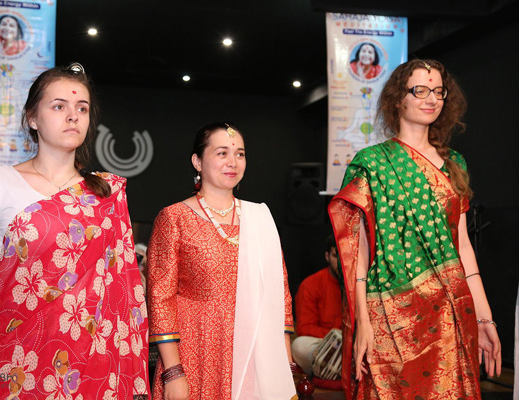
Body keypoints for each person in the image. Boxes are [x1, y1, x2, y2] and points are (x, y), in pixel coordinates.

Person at [0, 63, 148, 399]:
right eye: (59, 106)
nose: (73, 116)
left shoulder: (105, 195)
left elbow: (125, 293)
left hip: (95, 369)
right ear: (32, 118)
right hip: (15, 361)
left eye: (82, 108)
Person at [328, 59, 502, 399]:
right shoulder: (372, 163)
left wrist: (485, 318)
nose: (431, 98)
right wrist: (363, 322)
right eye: (420, 90)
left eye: (438, 91)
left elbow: (463, 246)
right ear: (398, 99)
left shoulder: (454, 163)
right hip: (389, 315)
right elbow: (359, 253)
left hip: (450, 311)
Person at [147, 122, 296, 400]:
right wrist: (173, 372)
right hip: (196, 352)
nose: (233, 162)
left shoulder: (260, 218)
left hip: (253, 352)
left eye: (240, 154)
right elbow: (160, 298)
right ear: (197, 162)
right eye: (222, 153)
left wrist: (286, 367)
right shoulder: (174, 217)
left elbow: (280, 297)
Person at [291, 235, 342, 378]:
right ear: (327, 256)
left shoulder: (361, 283)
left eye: (344, 256)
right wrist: (335, 335)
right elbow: (304, 328)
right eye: (335, 256)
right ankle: (340, 370)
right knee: (299, 346)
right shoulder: (311, 284)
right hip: (325, 344)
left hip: (353, 343)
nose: (340, 262)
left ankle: (333, 370)